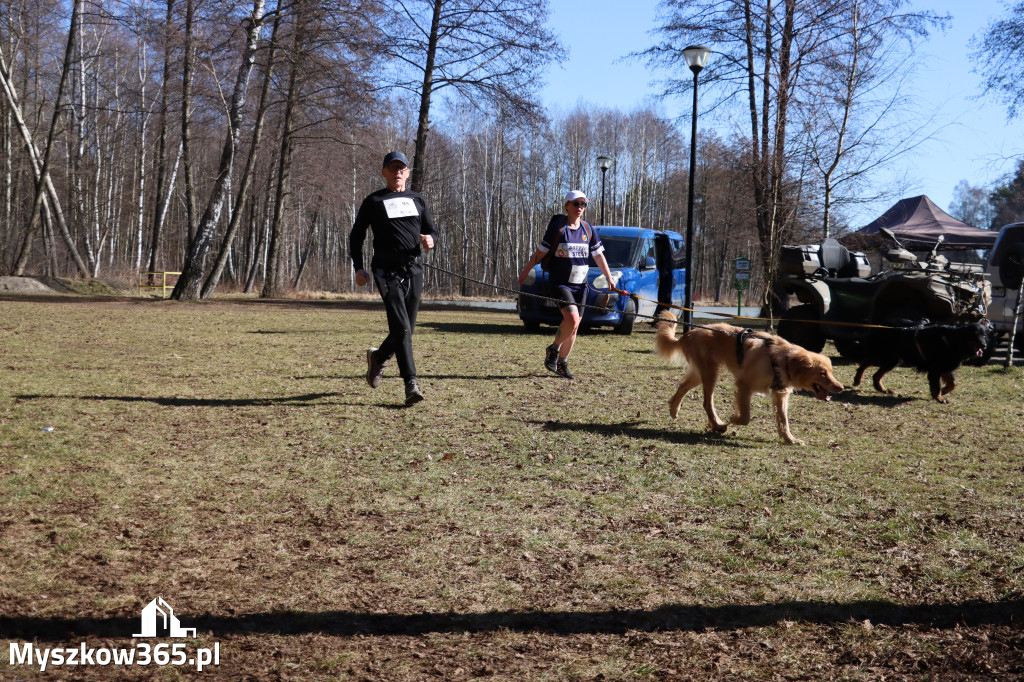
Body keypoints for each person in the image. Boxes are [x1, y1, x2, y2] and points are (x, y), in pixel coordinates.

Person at [349, 151, 436, 405]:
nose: (398, 172)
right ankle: (411, 383)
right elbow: (357, 236)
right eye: (393, 168)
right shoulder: (374, 200)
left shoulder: (418, 199)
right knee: (402, 327)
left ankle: (379, 358)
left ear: (408, 172)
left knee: (406, 328)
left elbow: (430, 230)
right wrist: (358, 268)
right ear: (384, 172)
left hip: (414, 270)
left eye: (402, 168)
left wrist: (431, 240)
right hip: (385, 270)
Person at [517, 190, 616, 379]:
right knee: (571, 319)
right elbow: (540, 253)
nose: (580, 208)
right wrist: (525, 271)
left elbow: (598, 255)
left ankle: (561, 363)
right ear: (567, 206)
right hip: (561, 283)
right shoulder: (558, 228)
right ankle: (553, 349)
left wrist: (609, 277)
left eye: (584, 204)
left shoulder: (588, 229)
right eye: (576, 203)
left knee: (576, 325)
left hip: (581, 285)